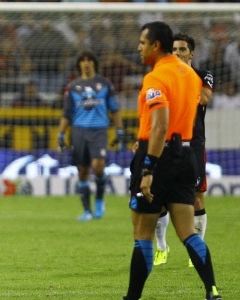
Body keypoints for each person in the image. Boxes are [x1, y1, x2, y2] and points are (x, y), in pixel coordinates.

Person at [123, 21, 222, 300]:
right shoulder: (191, 76)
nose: (139, 47)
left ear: (156, 45)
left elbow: (160, 125)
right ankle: (212, 290)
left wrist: (148, 167)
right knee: (188, 231)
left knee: (142, 233)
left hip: (158, 154)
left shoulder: (155, 77)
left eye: (143, 42)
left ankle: (131, 297)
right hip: (186, 153)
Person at [153, 33, 215, 268]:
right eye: (174, 49)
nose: (177, 53)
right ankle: (161, 247)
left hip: (194, 143)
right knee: (158, 199)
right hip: (167, 143)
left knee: (197, 198)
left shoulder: (203, 75)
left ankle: (195, 250)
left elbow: (204, 99)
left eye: (182, 49)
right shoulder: (164, 77)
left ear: (192, 53)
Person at [57, 50, 124, 221]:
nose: (86, 63)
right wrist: (61, 133)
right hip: (79, 131)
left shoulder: (105, 84)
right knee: (82, 171)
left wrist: (119, 130)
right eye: (83, 60)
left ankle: (100, 200)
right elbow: (67, 113)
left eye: (89, 60)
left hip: (99, 130)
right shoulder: (72, 87)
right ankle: (87, 211)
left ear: (94, 63)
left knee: (98, 166)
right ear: (79, 64)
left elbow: (115, 110)